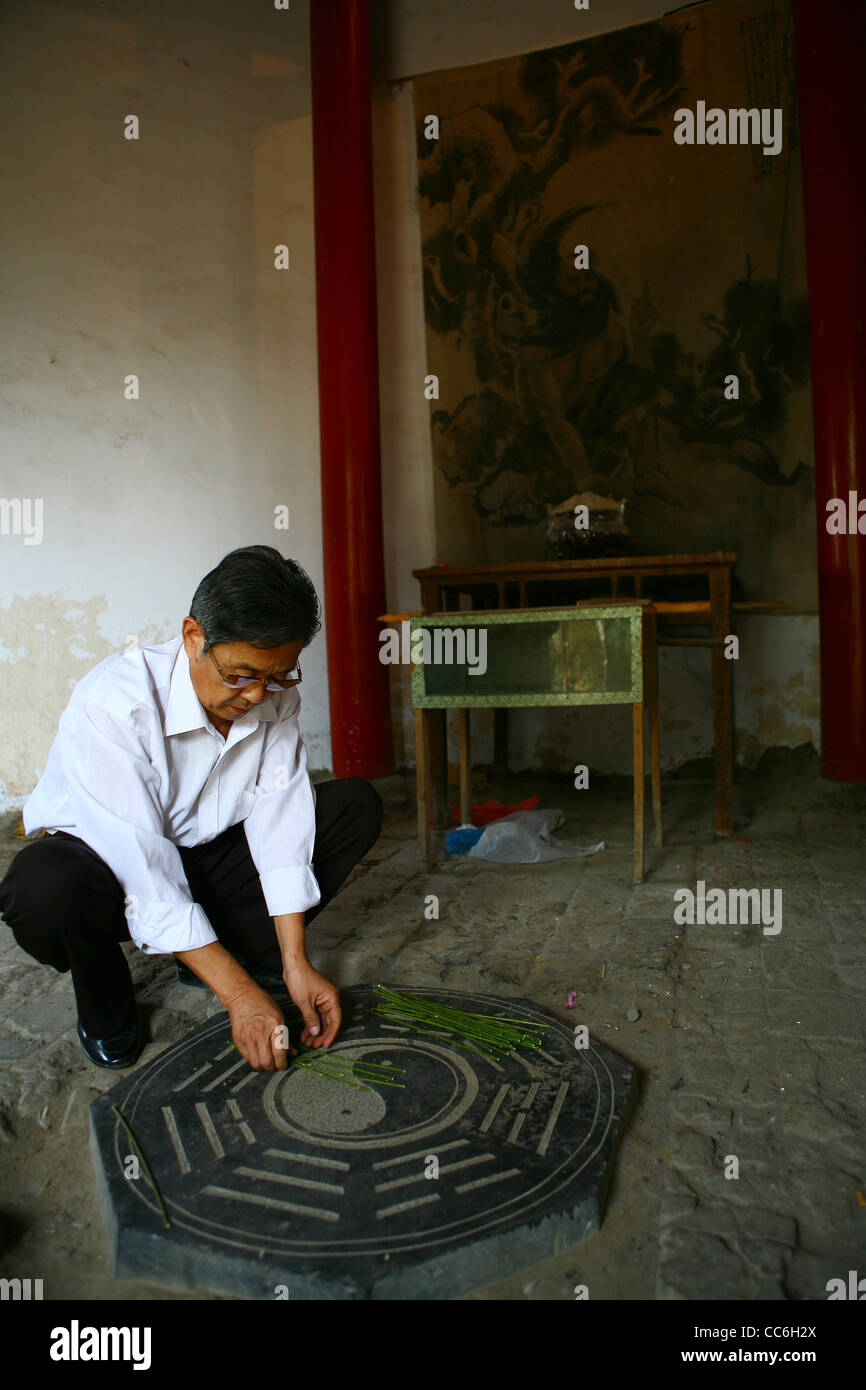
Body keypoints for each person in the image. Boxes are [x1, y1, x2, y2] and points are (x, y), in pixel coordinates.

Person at [0, 546, 383, 1071]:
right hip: (109, 874)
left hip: (204, 856)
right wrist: (240, 998)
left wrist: (297, 961)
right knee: (42, 887)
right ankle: (108, 999)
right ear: (193, 637)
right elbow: (143, 865)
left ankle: (229, 955)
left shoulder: (273, 698)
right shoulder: (116, 704)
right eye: (240, 675)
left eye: (277, 676)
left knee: (352, 805)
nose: (255, 696)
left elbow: (281, 822)